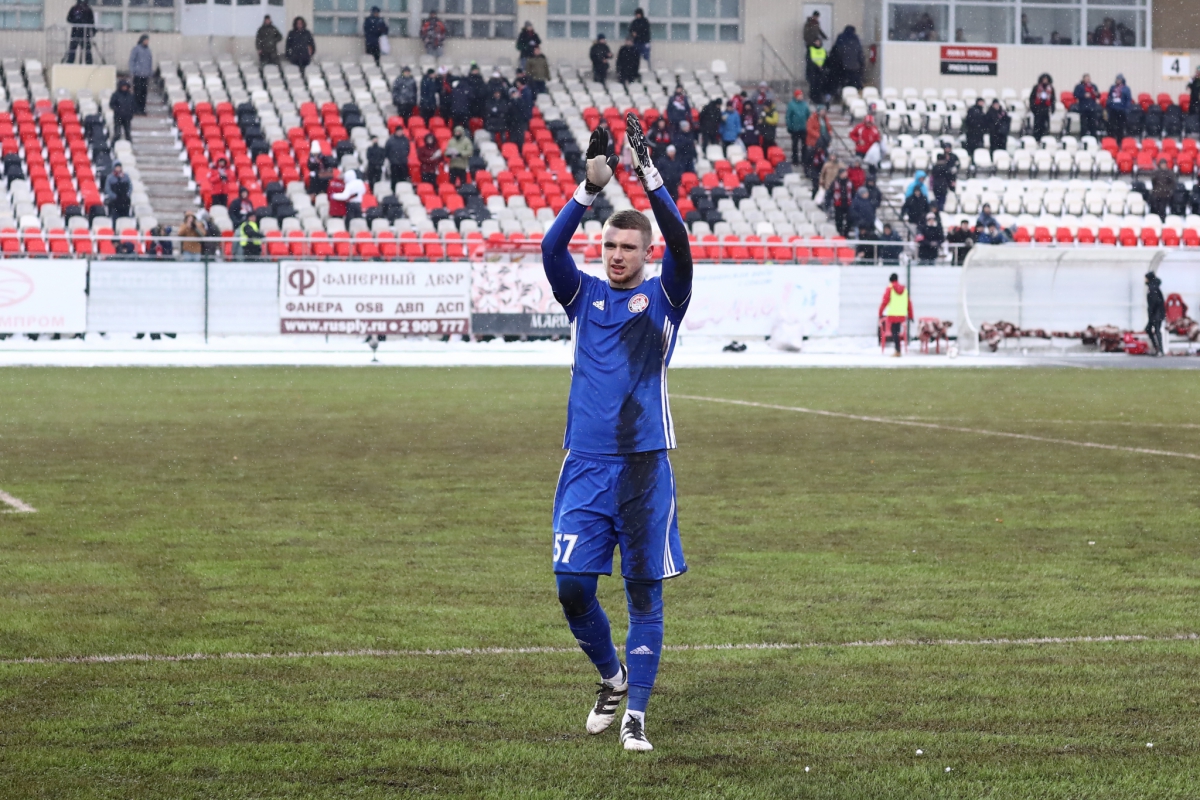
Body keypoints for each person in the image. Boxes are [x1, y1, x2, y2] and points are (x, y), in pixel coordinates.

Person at [539, 113, 693, 754]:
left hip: (645, 467)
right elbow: (551, 250)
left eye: (629, 247)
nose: (617, 255)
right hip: (585, 463)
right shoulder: (583, 297)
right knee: (572, 587)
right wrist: (589, 188)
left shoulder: (664, 298)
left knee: (642, 594)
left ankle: (636, 715)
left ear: (646, 253)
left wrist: (649, 176)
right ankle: (612, 677)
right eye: (609, 246)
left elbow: (682, 243)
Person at [878, 272, 914, 357]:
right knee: (896, 332)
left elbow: (885, 301)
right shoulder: (904, 289)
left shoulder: (890, 288)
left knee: (894, 332)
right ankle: (898, 349)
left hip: (893, 314)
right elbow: (909, 303)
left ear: (890, 280)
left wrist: (880, 313)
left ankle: (898, 350)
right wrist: (911, 315)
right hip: (901, 314)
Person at [830, 25, 864, 94]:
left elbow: (836, 52)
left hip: (843, 66)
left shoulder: (841, 38)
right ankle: (853, 95)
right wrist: (861, 65)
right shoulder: (856, 39)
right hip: (855, 67)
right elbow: (860, 54)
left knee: (843, 84)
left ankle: (843, 95)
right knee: (854, 84)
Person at [128, 36, 152, 116]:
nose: (147, 42)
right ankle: (136, 109)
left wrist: (150, 72)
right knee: (137, 92)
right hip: (138, 75)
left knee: (144, 93)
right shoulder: (136, 49)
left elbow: (150, 62)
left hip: (145, 75)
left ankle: (142, 109)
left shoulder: (148, 50)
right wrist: (133, 71)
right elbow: (132, 60)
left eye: (147, 40)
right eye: (145, 40)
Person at [786, 89, 810, 167]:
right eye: (799, 95)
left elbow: (808, 115)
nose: (801, 97)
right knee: (795, 145)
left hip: (804, 128)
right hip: (795, 128)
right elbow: (788, 116)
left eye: (801, 95)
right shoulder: (791, 105)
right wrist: (790, 126)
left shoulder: (805, 104)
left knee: (804, 145)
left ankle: (804, 160)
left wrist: (808, 125)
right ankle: (795, 160)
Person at [67, 0, 95, 65]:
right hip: (76, 32)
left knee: (87, 49)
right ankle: (70, 63)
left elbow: (91, 22)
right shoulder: (74, 9)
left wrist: (93, 30)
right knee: (73, 49)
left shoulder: (88, 10)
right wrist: (76, 22)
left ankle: (89, 63)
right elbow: (69, 18)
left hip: (85, 33)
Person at [1073, 73, 1101, 138]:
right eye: (1086, 78)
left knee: (1093, 124)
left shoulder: (1093, 86)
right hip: (1083, 108)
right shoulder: (1079, 86)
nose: (1088, 80)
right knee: (1084, 124)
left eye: (1088, 78)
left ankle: (1093, 137)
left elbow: (1098, 95)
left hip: (1092, 108)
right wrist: (1083, 95)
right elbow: (1075, 95)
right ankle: (1083, 137)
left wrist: (1096, 94)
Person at [1145, 271, 1165, 356]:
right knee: (1150, 329)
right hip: (1157, 313)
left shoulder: (1152, 288)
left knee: (1156, 330)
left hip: (1156, 314)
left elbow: (1154, 302)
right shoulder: (1154, 286)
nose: (1145, 280)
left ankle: (1159, 350)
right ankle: (1158, 349)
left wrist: (1151, 312)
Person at [1106, 74, 1132, 141]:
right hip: (1113, 109)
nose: (1118, 81)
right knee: (1111, 126)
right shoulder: (1113, 88)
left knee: (1120, 126)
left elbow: (1128, 99)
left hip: (1121, 110)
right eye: (1117, 79)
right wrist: (1109, 105)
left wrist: (1126, 109)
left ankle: (1119, 140)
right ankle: (1111, 140)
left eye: (1119, 79)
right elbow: (1109, 97)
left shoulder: (1126, 88)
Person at [1029, 73, 1055, 141]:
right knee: (1037, 124)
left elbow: (1053, 99)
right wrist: (1033, 107)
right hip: (1038, 109)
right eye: (1044, 79)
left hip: (1046, 109)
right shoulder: (1036, 87)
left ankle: (1045, 138)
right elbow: (1032, 98)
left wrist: (1052, 108)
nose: (1045, 81)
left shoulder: (1050, 88)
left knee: (1045, 125)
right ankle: (1036, 138)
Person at [509, 78, 533, 146]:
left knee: (521, 138)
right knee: (514, 139)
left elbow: (524, 109)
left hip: (521, 122)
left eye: (515, 93)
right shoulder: (509, 103)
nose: (514, 95)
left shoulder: (521, 101)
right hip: (513, 123)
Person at [829, 167, 854, 236]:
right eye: (844, 173)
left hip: (848, 204)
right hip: (838, 204)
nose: (845, 174)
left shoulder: (849, 182)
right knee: (839, 220)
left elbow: (853, 193)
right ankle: (840, 233)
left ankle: (846, 233)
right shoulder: (835, 182)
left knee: (849, 219)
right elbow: (830, 193)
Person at [385, 125, 410, 189]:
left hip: (403, 162)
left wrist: (404, 156)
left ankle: (403, 190)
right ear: (396, 132)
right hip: (394, 163)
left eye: (401, 131)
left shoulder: (405, 140)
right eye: (398, 131)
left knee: (403, 178)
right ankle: (394, 190)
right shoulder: (390, 140)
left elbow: (408, 149)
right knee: (394, 179)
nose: (400, 132)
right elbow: (387, 150)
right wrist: (392, 159)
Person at [806, 41, 828, 105]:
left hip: (821, 72)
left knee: (820, 86)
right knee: (814, 86)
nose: (817, 43)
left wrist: (823, 68)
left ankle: (819, 99)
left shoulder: (823, 50)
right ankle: (814, 99)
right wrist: (817, 66)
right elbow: (809, 61)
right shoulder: (811, 50)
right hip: (813, 71)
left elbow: (826, 60)